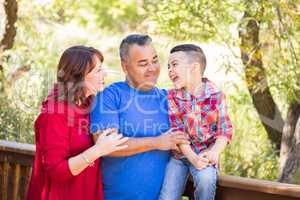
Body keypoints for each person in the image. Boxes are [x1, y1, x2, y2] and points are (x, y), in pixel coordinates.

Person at [90, 34, 189, 200]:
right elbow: (106, 145)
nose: (152, 68)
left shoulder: (169, 99)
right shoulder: (110, 96)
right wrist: (157, 142)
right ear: (125, 67)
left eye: (155, 60)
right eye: (143, 63)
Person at [27, 45, 128, 200]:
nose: (104, 73)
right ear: (79, 76)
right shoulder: (54, 115)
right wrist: (98, 150)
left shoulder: (91, 104)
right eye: (98, 70)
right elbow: (56, 172)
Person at [159, 44, 233, 200]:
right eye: (168, 66)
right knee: (167, 196)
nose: (170, 70)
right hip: (180, 156)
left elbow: (224, 130)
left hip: (205, 154)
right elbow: (177, 132)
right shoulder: (172, 96)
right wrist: (192, 158)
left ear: (194, 67)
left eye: (175, 65)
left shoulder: (216, 95)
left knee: (206, 181)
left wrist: (214, 152)